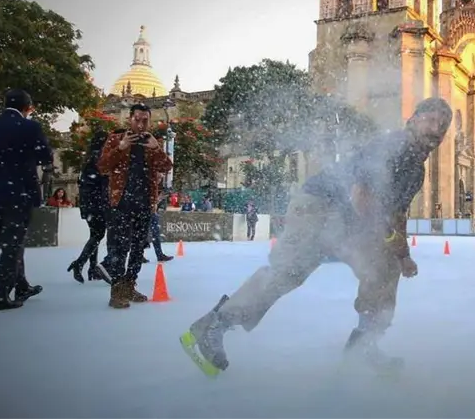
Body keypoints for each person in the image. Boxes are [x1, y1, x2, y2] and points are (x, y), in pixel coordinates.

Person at [180, 97, 452, 375]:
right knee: (288, 272)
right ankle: (215, 324)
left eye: (443, 125)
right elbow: (361, 197)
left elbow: (397, 215)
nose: (437, 129)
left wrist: (403, 256)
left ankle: (364, 344)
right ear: (412, 120)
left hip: (349, 221)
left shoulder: (416, 171)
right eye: (431, 120)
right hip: (319, 206)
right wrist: (388, 237)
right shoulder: (391, 145)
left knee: (384, 268)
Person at [0, 89, 52, 311]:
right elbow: (45, 156)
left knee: (10, 241)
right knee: (13, 245)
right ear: (27, 108)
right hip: (19, 191)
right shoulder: (30, 127)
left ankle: (21, 285)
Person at [95, 104, 172, 309]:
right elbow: (102, 166)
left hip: (144, 202)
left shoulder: (151, 142)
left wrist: (156, 148)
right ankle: (117, 291)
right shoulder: (115, 139)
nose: (140, 124)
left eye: (145, 120)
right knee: (120, 248)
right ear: (130, 119)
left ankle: (130, 284)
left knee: (138, 247)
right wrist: (121, 147)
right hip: (121, 202)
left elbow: (166, 167)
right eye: (137, 119)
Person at [67, 131, 111, 284]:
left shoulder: (89, 158)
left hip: (87, 203)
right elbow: (103, 182)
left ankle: (92, 268)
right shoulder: (100, 158)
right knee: (98, 235)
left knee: (95, 234)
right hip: (97, 203)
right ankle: (80, 263)